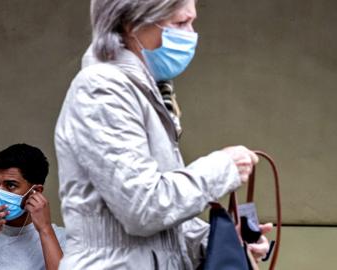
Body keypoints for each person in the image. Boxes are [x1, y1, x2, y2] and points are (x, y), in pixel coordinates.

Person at [54, 0, 271, 269]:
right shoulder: (103, 88)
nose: (191, 34)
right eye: (180, 23)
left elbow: (163, 229)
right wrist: (223, 168)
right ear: (132, 25)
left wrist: (225, 241)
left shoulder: (144, 91)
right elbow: (141, 208)